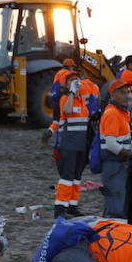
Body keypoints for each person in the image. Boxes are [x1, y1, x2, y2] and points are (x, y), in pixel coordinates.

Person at [52, 73, 90, 217]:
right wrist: (72, 93)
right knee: (67, 177)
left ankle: (72, 206)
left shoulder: (82, 101)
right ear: (67, 85)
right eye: (72, 81)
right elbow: (67, 111)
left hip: (80, 144)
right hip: (68, 144)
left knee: (76, 176)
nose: (76, 82)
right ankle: (60, 209)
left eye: (77, 80)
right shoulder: (65, 99)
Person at [99, 80, 132, 221]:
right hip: (113, 164)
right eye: (122, 92)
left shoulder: (121, 113)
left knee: (118, 201)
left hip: (119, 163)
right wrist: (131, 156)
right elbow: (111, 144)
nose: (127, 96)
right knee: (116, 205)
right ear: (112, 95)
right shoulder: (112, 114)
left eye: (128, 92)